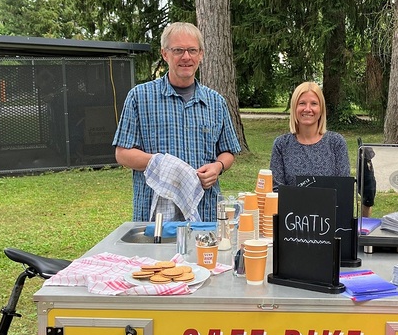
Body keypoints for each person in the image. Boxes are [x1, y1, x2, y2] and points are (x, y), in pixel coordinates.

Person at [112, 22, 242, 222]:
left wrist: (218, 167)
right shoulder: (140, 97)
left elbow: (228, 151)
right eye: (178, 50)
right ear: (165, 54)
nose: (186, 57)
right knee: (156, 255)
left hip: (204, 212)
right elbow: (122, 154)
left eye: (192, 50)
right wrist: (163, 164)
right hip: (155, 215)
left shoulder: (216, 102)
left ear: (201, 54)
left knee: (203, 254)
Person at [270, 81, 350, 190]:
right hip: (290, 207)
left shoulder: (336, 143)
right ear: (294, 108)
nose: (307, 109)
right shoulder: (281, 144)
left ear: (321, 109)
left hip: (329, 207)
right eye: (302, 103)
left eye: (314, 103)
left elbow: (343, 190)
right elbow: (276, 191)